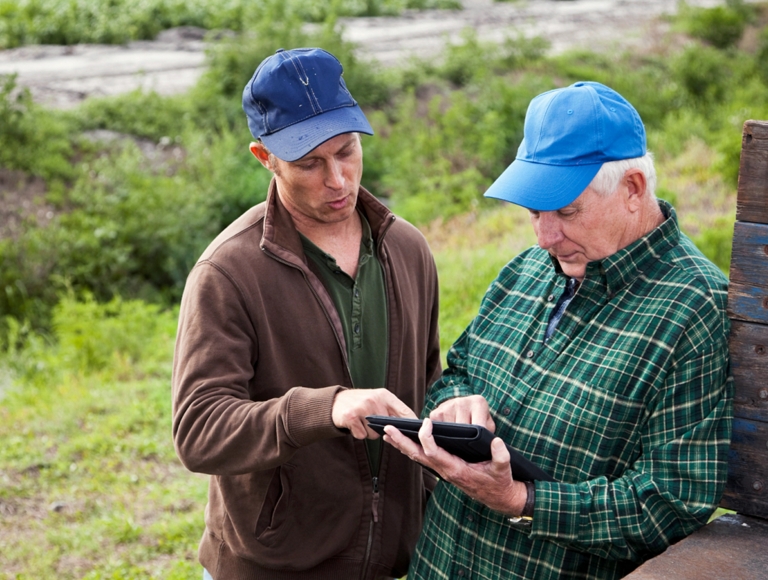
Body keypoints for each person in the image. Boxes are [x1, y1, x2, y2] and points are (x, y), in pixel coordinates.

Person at [383, 81, 733, 579]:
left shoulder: (695, 310)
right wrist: (454, 405)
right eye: (534, 212)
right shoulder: (526, 270)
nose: (546, 237)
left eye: (567, 212)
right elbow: (458, 372)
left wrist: (521, 500)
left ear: (633, 188)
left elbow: (671, 503)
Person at [171, 47, 441, 580]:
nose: (337, 180)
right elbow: (199, 431)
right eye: (308, 163)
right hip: (273, 566)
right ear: (263, 157)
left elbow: (427, 381)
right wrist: (326, 409)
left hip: (396, 563)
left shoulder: (408, 248)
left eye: (346, 151)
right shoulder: (227, 272)